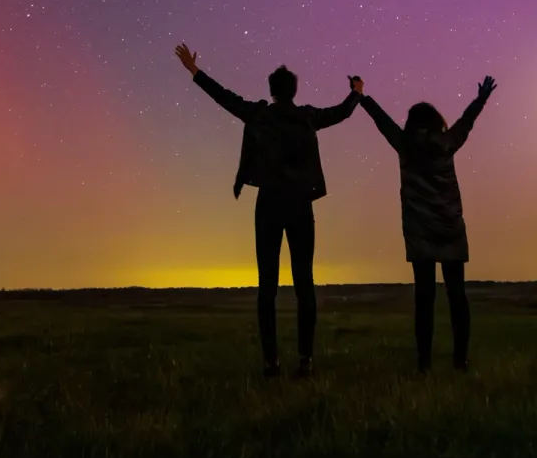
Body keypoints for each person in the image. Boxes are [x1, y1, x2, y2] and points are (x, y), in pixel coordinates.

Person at [175, 43, 363, 378]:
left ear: (271, 91)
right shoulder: (307, 117)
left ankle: (271, 363)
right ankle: (305, 360)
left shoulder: (260, 115)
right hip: (300, 205)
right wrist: (356, 93)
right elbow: (341, 112)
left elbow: (225, 98)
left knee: (268, 286)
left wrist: (194, 71)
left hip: (270, 204)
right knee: (304, 282)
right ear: (294, 91)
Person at [359, 75, 495, 372]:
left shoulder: (404, 144)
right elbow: (466, 121)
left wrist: (361, 96)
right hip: (450, 228)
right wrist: (481, 99)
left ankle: (424, 362)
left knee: (424, 298)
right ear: (436, 121)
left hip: (419, 230)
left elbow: (381, 121)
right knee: (457, 295)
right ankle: (461, 360)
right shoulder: (447, 143)